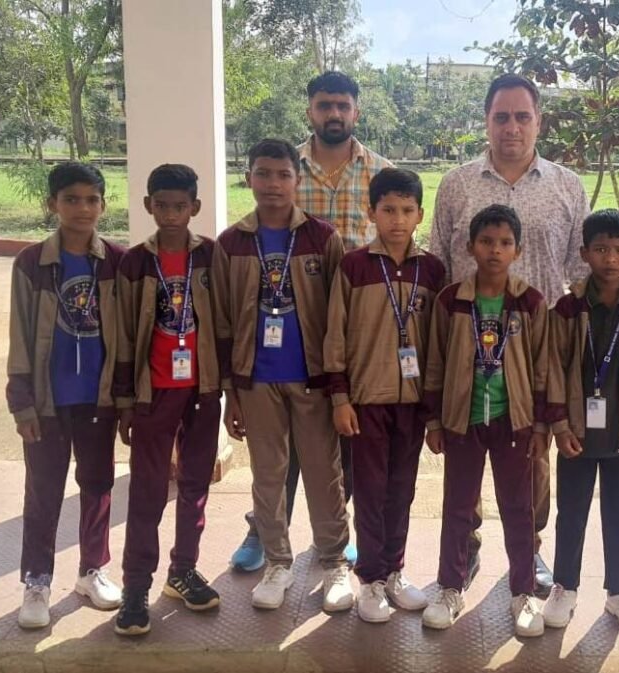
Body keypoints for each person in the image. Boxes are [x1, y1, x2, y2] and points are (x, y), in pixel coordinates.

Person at [430, 73, 589, 596]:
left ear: (539, 121)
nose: (512, 128)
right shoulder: (457, 185)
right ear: (487, 121)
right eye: (502, 117)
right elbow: (437, 264)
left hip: (534, 350)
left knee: (530, 456)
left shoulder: (567, 185)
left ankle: (530, 548)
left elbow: (581, 274)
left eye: (523, 117)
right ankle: (466, 546)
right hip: (466, 347)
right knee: (465, 456)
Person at [230, 71, 390, 572]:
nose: (334, 114)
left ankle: (338, 536)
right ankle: (264, 531)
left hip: (359, 330)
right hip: (292, 327)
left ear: (356, 111)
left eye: (343, 105)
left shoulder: (380, 172)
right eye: (324, 105)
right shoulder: (285, 166)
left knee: (342, 440)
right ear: (310, 111)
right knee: (278, 449)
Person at [211, 139, 353, 612]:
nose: (273, 184)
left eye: (283, 175)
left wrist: (338, 386)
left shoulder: (321, 238)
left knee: (324, 472)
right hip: (256, 381)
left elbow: (338, 318)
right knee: (268, 475)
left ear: (298, 180)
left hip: (312, 379)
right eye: (263, 173)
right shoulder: (231, 243)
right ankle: (277, 562)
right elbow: (224, 322)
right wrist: (231, 392)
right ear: (248, 177)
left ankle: (333, 561)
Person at [421, 204, 550, 637]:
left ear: (518, 250)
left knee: (519, 509)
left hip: (515, 423)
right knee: (458, 506)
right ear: (470, 247)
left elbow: (542, 369)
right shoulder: (451, 301)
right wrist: (434, 421)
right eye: (486, 242)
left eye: (505, 243)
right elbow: (434, 363)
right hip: (464, 420)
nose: (495, 250)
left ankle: (523, 592)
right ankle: (450, 587)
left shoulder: (530, 302)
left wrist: (540, 426)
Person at [323, 168, 445, 623]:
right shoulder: (354, 266)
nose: (398, 219)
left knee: (402, 491)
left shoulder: (432, 270)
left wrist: (434, 411)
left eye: (407, 210)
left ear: (420, 215)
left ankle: (394, 571)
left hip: (412, 403)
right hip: (366, 401)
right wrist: (340, 397)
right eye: (388, 210)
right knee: (371, 492)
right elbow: (335, 335)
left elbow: (439, 344)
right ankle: (370, 579)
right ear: (370, 211)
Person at [8, 162, 124, 629]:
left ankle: (91, 570)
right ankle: (37, 581)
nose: (82, 208)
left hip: (97, 399)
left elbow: (127, 336)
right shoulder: (31, 263)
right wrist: (21, 402)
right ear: (51, 203)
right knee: (43, 490)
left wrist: (124, 398)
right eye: (71, 199)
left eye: (92, 199)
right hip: (47, 401)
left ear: (103, 205)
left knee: (97, 484)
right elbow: (19, 336)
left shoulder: (116, 260)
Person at [543, 210, 619, 636]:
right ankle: (564, 587)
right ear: (584, 253)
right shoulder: (568, 307)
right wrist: (560, 425)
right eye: (600, 249)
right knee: (570, 512)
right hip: (577, 434)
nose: (610, 259)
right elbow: (553, 367)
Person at [113, 164, 222, 636]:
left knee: (195, 484)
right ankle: (136, 586)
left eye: (180, 206)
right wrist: (124, 399)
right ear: (148, 206)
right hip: (152, 393)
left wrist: (226, 387)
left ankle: (183, 570)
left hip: (202, 390)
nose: (172, 214)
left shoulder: (211, 256)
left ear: (194, 207)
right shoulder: (135, 262)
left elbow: (226, 322)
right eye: (162, 205)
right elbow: (122, 334)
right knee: (148, 489)